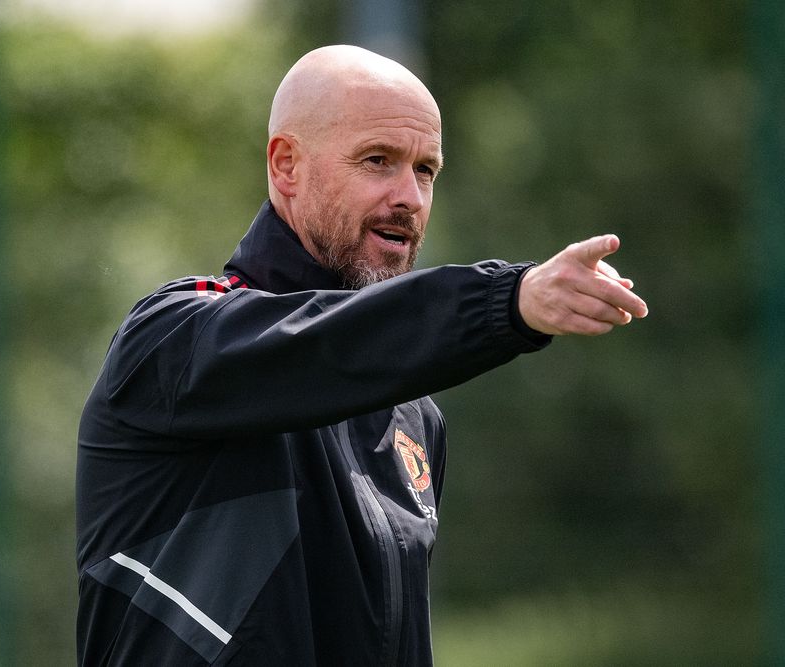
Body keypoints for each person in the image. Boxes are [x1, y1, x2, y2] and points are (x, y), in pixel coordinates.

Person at [75, 45, 648, 666]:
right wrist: (507, 301)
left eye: (426, 170)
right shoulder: (172, 341)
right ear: (287, 165)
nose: (411, 196)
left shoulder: (414, 419)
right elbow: (322, 348)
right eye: (378, 160)